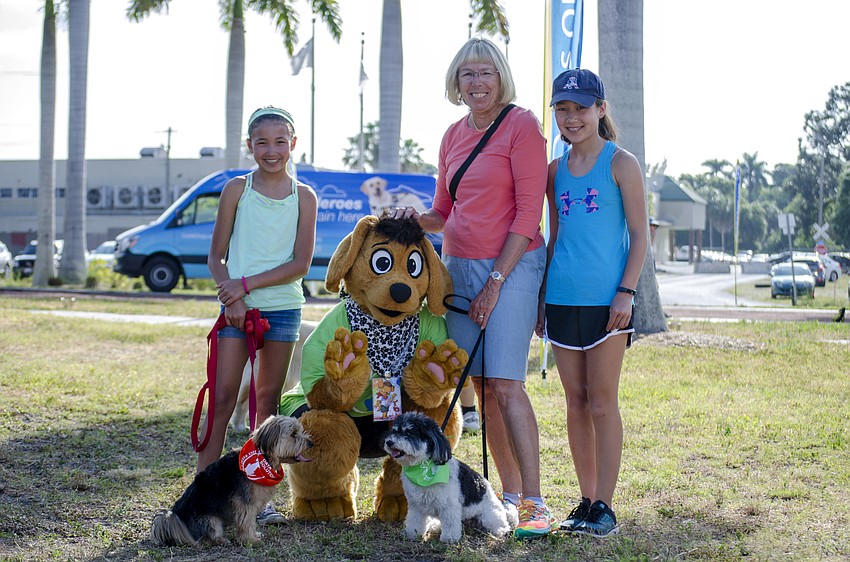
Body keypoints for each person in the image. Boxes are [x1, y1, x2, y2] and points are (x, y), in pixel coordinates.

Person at [394, 37, 552, 539]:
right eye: (467, 74)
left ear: (500, 76)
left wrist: (496, 282)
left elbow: (529, 213)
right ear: (456, 83)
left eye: (485, 72)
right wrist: (411, 218)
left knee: (507, 384)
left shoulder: (523, 125)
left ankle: (533, 502)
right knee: (481, 386)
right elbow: (442, 212)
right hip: (458, 266)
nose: (477, 82)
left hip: (512, 265)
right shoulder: (451, 135)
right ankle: (503, 496)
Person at [536, 68, 648, 538]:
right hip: (562, 299)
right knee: (575, 403)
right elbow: (556, 236)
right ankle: (584, 500)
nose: (571, 117)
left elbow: (641, 236)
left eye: (580, 108)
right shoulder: (554, 170)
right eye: (562, 108)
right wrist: (542, 296)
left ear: (601, 110)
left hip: (608, 304)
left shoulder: (621, 163)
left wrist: (626, 292)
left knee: (602, 403)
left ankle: (605, 504)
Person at [203, 106, 318, 524]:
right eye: (263, 142)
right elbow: (216, 256)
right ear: (249, 145)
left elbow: (300, 264)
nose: (272, 150)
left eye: (280, 141)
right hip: (236, 312)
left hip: (283, 310)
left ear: (293, 143)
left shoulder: (304, 197)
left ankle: (260, 500)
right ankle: (204, 489)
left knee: (265, 406)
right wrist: (232, 299)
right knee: (223, 399)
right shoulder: (237, 189)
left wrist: (246, 285)